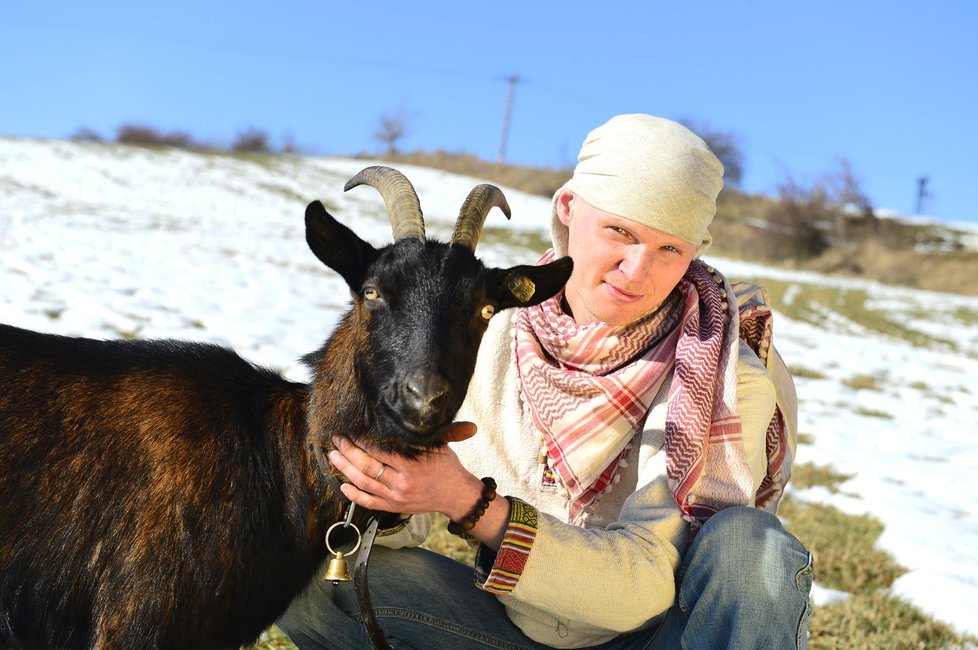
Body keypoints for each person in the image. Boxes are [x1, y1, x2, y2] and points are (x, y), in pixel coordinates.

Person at [278, 114, 813, 649]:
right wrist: (391, 491)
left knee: (753, 550)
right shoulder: (488, 324)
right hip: (510, 630)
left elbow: (645, 587)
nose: (636, 270)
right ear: (567, 211)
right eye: (619, 232)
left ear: (696, 250)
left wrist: (472, 505)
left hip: (659, 638)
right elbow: (413, 518)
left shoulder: (719, 374)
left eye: (669, 249)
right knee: (303, 578)